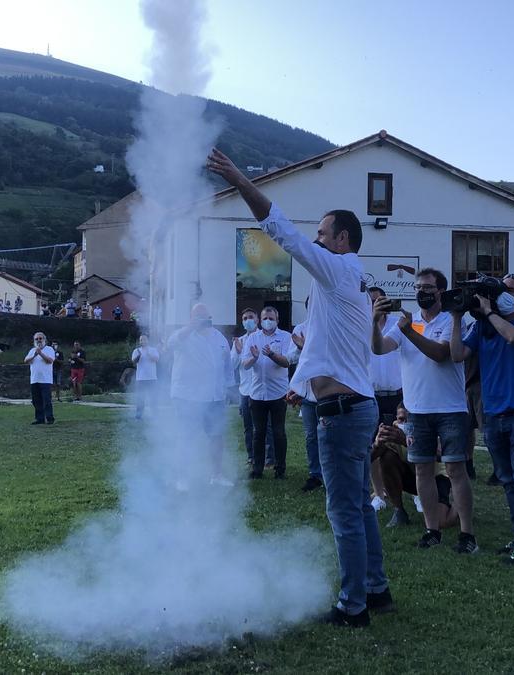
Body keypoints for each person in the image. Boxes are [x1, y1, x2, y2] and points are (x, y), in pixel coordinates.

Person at [209, 148, 391, 628]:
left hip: (344, 413)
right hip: (353, 404)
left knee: (344, 512)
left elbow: (280, 230)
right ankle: (376, 589)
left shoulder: (339, 269)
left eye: (322, 234)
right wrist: (302, 386)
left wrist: (240, 179)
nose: (316, 240)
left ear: (342, 239)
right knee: (357, 505)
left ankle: (353, 606)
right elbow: (322, 342)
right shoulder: (343, 284)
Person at [372, 268, 477, 553]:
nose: (421, 292)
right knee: (423, 471)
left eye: (428, 288)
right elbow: (380, 348)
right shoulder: (408, 321)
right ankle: (432, 530)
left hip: (450, 408)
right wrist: (374, 321)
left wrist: (409, 332)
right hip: (417, 409)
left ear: (440, 292)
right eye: (418, 286)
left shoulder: (453, 320)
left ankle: (467, 534)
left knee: (455, 470)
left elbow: (441, 354)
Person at [450, 273, 514, 564]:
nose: (501, 293)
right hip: (494, 412)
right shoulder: (483, 327)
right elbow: (457, 355)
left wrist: (490, 311)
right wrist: (456, 318)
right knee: (507, 480)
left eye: (509, 290)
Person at [168, 303, 234, 484]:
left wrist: (227, 389)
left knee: (216, 435)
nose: (202, 319)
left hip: (215, 396)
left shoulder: (219, 337)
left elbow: (226, 366)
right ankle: (182, 477)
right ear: (190, 318)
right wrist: (191, 327)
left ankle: (217, 475)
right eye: (197, 316)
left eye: (205, 316)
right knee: (186, 436)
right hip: (188, 397)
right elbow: (170, 344)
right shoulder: (182, 335)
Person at [371, 403, 460, 532]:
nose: (404, 423)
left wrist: (406, 441)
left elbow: (443, 455)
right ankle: (399, 510)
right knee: (387, 457)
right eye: (401, 419)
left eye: (409, 419)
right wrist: (377, 444)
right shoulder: (394, 430)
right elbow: (368, 459)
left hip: (438, 478)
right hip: (412, 477)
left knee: (442, 522)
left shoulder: (428, 427)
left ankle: (459, 504)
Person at [241, 306, 293, 479]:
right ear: (259, 320)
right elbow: (245, 364)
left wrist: (271, 354)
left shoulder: (285, 337)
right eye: (265, 318)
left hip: (278, 394)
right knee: (258, 433)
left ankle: (280, 469)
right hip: (256, 393)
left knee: (278, 432)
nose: (268, 321)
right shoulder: (253, 338)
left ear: (277, 320)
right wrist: (254, 358)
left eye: (271, 318)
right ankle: (257, 469)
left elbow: (286, 362)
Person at [287, 300, 323, 492]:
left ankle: (330, 473)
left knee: (329, 436)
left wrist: (305, 347)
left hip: (328, 392)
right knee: (311, 436)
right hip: (309, 394)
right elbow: (292, 359)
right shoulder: (300, 329)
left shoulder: (330, 326)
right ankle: (315, 474)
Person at [233, 308, 273, 471]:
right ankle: (252, 457)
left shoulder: (264, 338)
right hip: (246, 390)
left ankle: (270, 459)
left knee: (267, 426)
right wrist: (237, 351)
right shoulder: (240, 341)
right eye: (244, 318)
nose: (247, 320)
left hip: (264, 389)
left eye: (251, 317)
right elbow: (231, 366)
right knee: (249, 427)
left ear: (257, 320)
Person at [366, 287, 403, 423]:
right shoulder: (360, 327)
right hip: (370, 396)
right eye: (371, 302)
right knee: (371, 440)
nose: (375, 305)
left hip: (398, 396)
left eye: (378, 301)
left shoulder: (399, 324)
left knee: (397, 440)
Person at [23, 332, 56, 425]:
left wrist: (41, 353)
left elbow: (50, 361)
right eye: (36, 339)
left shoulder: (49, 349)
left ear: (44, 340)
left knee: (46, 400)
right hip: (34, 379)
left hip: (45, 380)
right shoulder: (32, 350)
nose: (38, 340)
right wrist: (34, 355)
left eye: (40, 338)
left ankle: (49, 418)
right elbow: (26, 360)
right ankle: (39, 418)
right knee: (36, 400)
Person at [130, 335, 160, 419]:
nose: (142, 341)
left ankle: (155, 416)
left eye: (144, 339)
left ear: (148, 340)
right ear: (139, 342)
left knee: (153, 398)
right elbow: (134, 361)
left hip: (152, 378)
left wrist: (148, 353)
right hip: (140, 379)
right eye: (141, 340)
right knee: (140, 398)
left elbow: (156, 360)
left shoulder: (153, 350)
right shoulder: (136, 351)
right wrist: (139, 355)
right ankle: (138, 416)